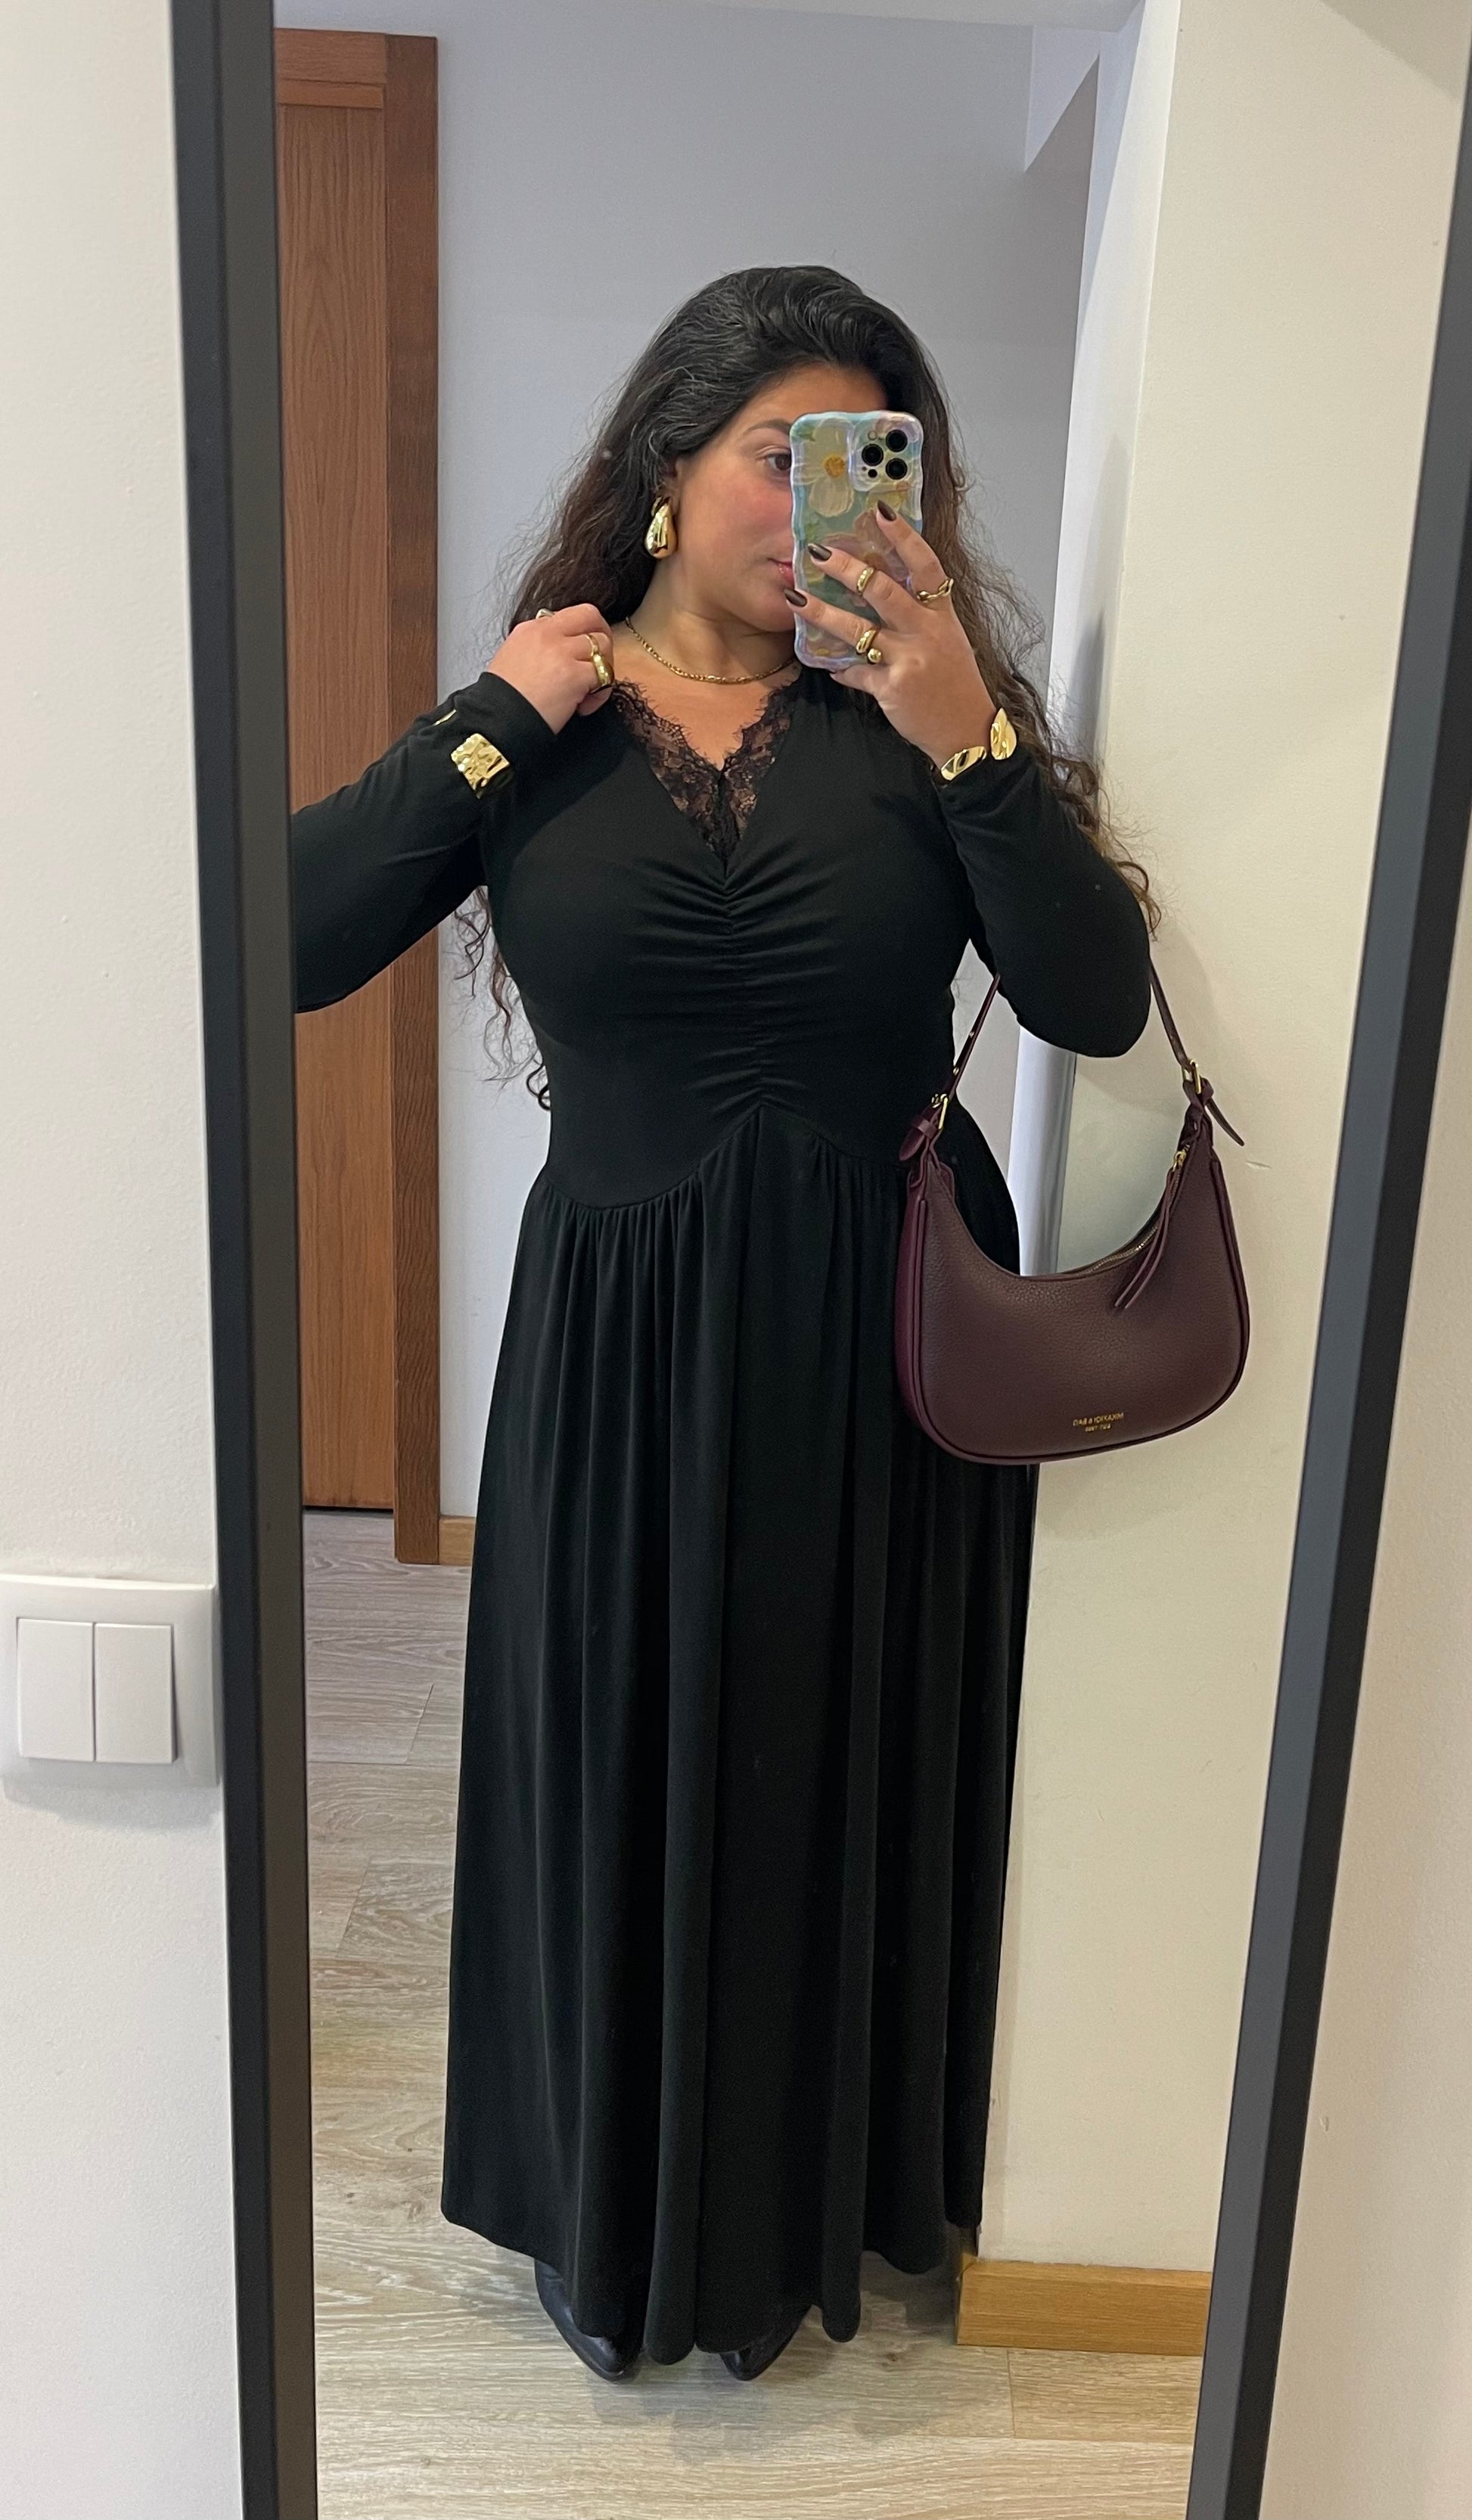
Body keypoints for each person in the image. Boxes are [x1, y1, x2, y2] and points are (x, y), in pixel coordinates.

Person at [291, 265, 1153, 2385]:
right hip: (621, 1339)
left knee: (840, 1750)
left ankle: (825, 2200)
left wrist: (970, 733)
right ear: (667, 467)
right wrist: (490, 714)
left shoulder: (925, 726)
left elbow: (1092, 1000)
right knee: (618, 1748)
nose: (827, 508)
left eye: (876, 467)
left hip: (885, 1326)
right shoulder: (539, 727)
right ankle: (622, 2215)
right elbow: (287, 936)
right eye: (783, 456)